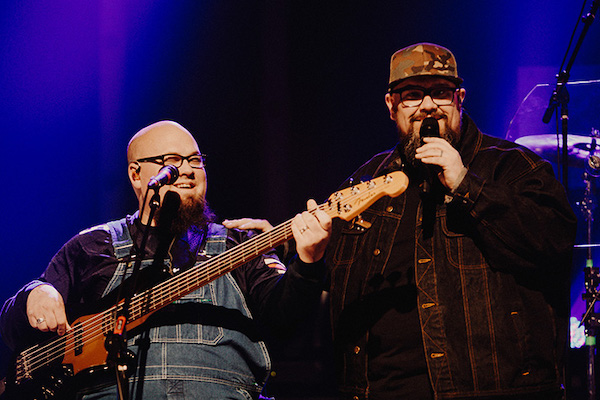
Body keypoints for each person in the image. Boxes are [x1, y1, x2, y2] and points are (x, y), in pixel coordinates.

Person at [0, 121, 331, 399]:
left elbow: (286, 321)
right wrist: (35, 294)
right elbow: (16, 332)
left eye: (196, 160)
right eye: (173, 161)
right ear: (136, 174)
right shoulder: (92, 246)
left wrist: (309, 261)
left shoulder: (239, 242)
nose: (188, 170)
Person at [325, 43, 577, 399]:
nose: (428, 105)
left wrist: (465, 184)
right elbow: (329, 283)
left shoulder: (512, 167)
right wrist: (289, 248)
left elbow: (554, 242)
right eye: (412, 95)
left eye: (440, 93)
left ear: (459, 99)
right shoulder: (366, 183)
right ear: (391, 106)